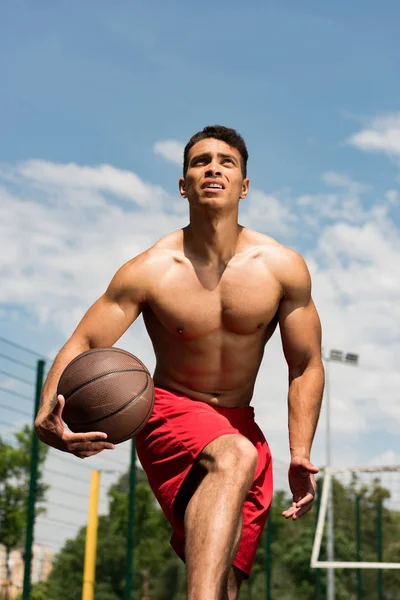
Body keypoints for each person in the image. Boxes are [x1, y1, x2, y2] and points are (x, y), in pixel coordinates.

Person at [35, 125, 324, 600]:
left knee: (226, 581)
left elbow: (306, 364)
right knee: (234, 457)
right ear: (183, 184)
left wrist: (298, 450)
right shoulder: (151, 269)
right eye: (200, 161)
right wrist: (48, 412)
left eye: (226, 162)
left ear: (244, 186)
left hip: (240, 421)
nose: (213, 168)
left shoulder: (281, 267)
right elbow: (85, 339)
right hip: (169, 410)